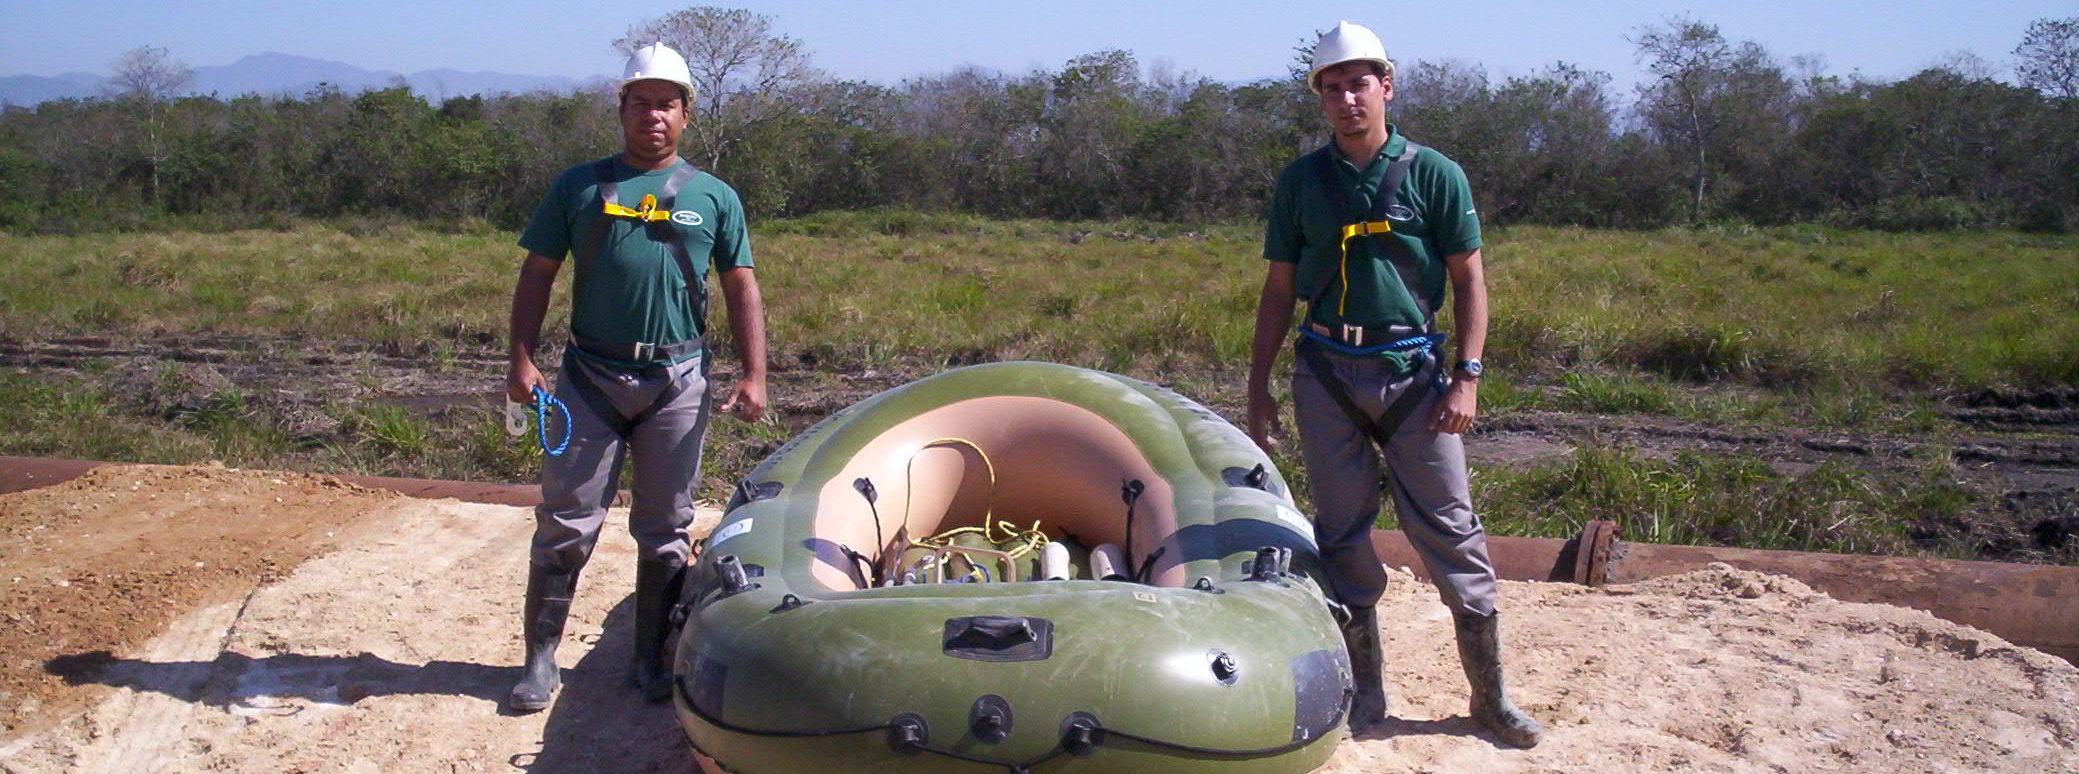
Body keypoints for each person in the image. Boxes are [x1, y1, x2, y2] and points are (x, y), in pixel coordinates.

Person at [1246, 21, 1540, 747]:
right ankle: (1365, 692)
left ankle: (1489, 700)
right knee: (1341, 534)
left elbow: (1469, 280)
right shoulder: (1302, 182)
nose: (1348, 98)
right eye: (1332, 86)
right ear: (1318, 98)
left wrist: (1466, 376)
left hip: (1414, 374)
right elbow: (1279, 288)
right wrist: (1258, 385)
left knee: (1449, 530)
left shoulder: (1434, 174)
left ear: (1386, 85)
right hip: (1326, 373)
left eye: (1359, 82)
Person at [503, 42, 768, 713]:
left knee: (667, 525)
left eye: (667, 104)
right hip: (589, 375)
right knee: (565, 519)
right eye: (642, 102)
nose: (654, 115)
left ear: (685, 115)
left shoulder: (714, 197)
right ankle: (539, 659)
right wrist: (520, 359)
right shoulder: (578, 186)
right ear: (622, 109)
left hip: (677, 380)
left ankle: (648, 660)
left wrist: (754, 373)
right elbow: (537, 274)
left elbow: (741, 286)